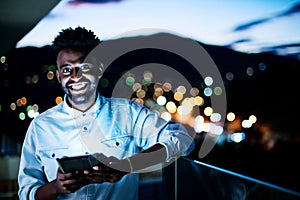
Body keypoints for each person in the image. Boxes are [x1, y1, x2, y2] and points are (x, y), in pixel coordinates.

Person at [17, 26, 195, 200]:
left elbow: (182, 139)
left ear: (99, 69)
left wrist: (127, 165)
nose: (75, 76)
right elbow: (26, 193)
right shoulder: (41, 126)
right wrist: (56, 187)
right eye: (66, 70)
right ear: (58, 77)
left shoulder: (128, 113)